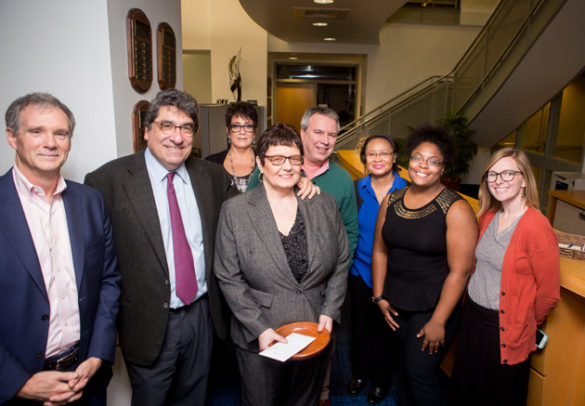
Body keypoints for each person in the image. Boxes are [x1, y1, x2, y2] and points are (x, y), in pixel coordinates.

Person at [85, 89, 234, 405]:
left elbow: (246, 217)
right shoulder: (107, 181)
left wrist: (296, 182)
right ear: (146, 130)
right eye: (167, 126)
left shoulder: (213, 176)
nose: (177, 137)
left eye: (186, 127)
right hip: (147, 321)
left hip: (203, 315)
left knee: (195, 397)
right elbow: (94, 264)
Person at [214, 123, 350, 406]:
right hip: (260, 331)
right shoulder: (236, 211)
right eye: (277, 159)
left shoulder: (323, 204)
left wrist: (330, 309)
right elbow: (228, 276)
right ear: (261, 165)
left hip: (314, 325)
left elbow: (340, 260)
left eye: (294, 158)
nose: (286, 167)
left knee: (305, 399)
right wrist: (259, 328)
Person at [0, 93, 120, 405]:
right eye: (37, 131)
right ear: (12, 137)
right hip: (18, 385)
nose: (51, 143)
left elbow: (109, 280)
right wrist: (17, 382)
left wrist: (98, 354)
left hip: (86, 376)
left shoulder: (90, 201)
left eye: (60, 133)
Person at [247, 106, 358, 406]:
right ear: (303, 133)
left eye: (332, 134)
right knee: (267, 388)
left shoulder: (342, 181)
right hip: (271, 300)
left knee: (313, 377)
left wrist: (330, 278)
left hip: (320, 292)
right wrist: (297, 178)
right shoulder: (274, 172)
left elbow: (348, 234)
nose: (325, 140)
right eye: (318, 132)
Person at [371, 126, 478, 406]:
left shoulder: (456, 209)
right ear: (408, 160)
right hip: (395, 304)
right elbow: (380, 250)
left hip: (432, 308)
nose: (424, 166)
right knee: (405, 371)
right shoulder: (392, 200)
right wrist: (380, 296)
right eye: (418, 158)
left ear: (444, 167)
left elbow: (461, 271)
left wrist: (438, 321)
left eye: (433, 161)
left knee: (420, 373)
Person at [448, 148, 560, 406]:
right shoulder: (488, 215)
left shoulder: (536, 227)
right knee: (466, 390)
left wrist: (524, 321)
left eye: (508, 173)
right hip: (473, 320)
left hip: (506, 329)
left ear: (524, 180)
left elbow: (549, 294)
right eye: (493, 174)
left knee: (496, 396)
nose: (499, 180)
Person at [348, 134, 408, 404]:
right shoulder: (355, 189)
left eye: (384, 153)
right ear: (364, 159)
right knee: (360, 329)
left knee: (387, 330)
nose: (378, 159)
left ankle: (381, 381)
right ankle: (359, 374)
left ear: (395, 156)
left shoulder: (409, 190)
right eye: (372, 154)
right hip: (360, 272)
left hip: (395, 276)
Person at [205, 101, 258, 192]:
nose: (242, 132)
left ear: (254, 133)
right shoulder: (210, 163)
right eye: (236, 126)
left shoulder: (265, 162)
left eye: (248, 126)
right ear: (228, 131)